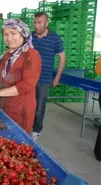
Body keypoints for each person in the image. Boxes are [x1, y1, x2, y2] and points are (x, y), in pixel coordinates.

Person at [0, 18, 42, 134]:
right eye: (5, 34)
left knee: (16, 140)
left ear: (23, 34)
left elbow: (26, 85)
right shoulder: (8, 54)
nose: (9, 38)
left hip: (19, 109)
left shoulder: (31, 55)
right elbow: (2, 73)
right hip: (2, 106)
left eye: (13, 33)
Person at [32, 12, 66, 140]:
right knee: (28, 104)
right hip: (29, 79)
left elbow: (62, 58)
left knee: (40, 107)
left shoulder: (55, 38)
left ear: (47, 23)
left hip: (44, 79)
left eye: (39, 22)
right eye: (35, 22)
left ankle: (36, 131)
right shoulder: (30, 37)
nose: (36, 25)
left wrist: (57, 77)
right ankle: (26, 127)